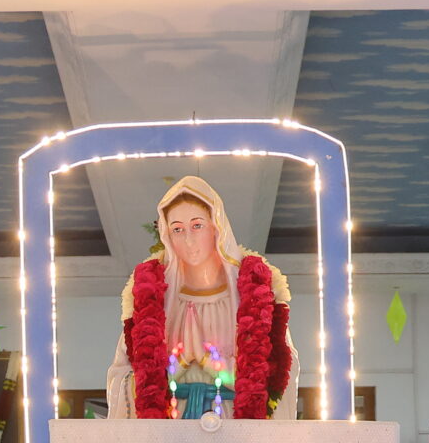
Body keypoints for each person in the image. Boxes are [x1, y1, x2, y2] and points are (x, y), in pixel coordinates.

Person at [103, 176, 297, 421]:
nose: (189, 239)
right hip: (170, 425)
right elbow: (123, 374)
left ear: (217, 226)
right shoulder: (152, 298)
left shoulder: (255, 294)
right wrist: (178, 366)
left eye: (197, 226)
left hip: (233, 422)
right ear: (166, 235)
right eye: (177, 229)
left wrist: (214, 365)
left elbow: (280, 372)